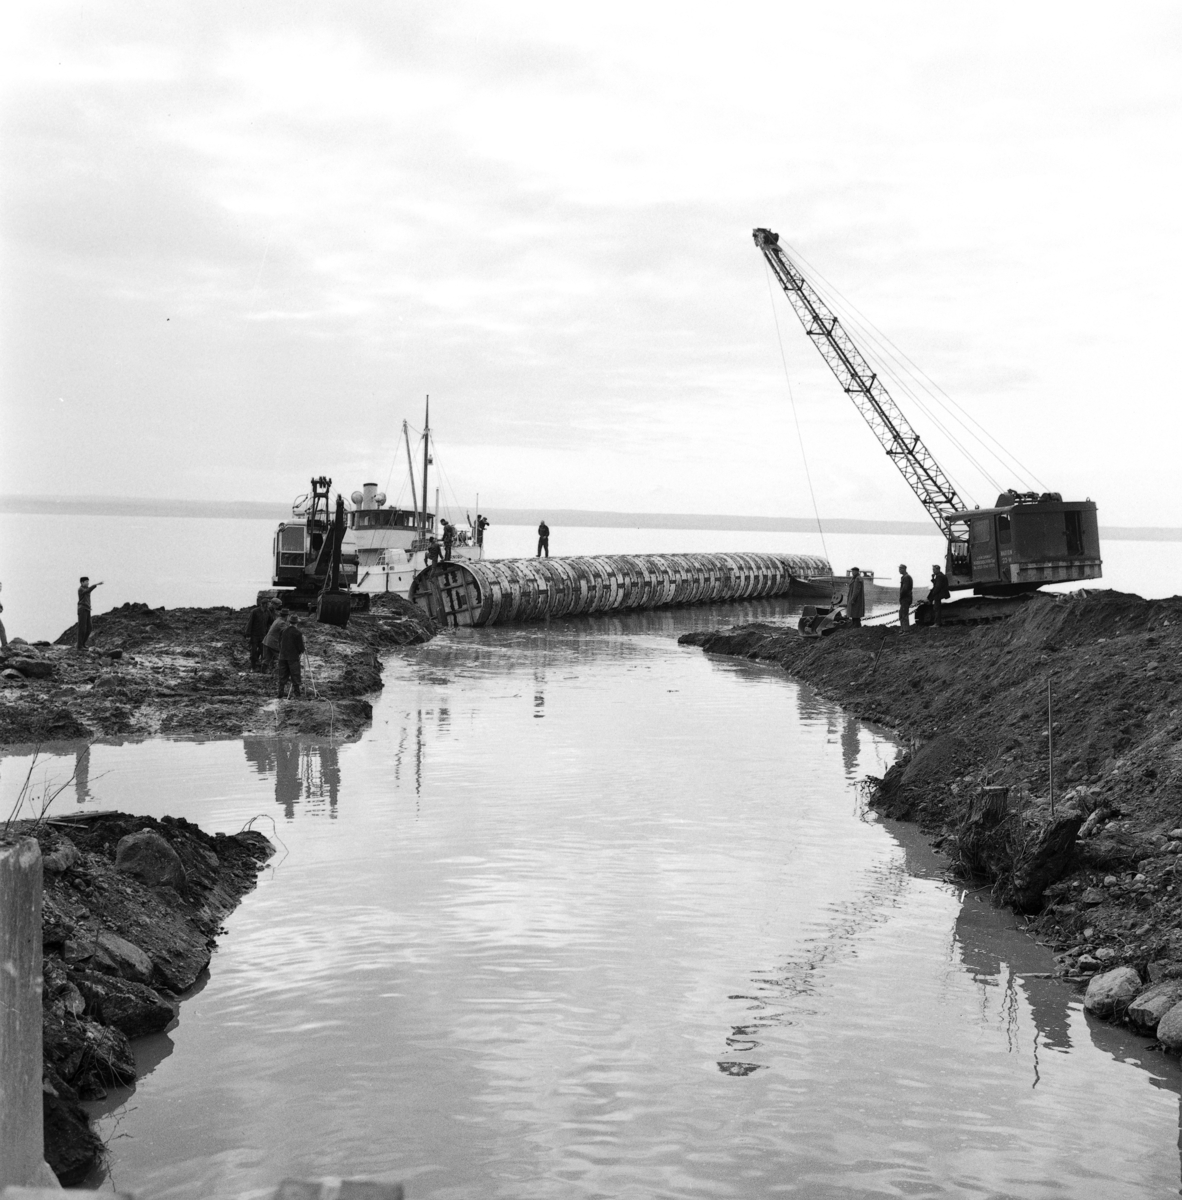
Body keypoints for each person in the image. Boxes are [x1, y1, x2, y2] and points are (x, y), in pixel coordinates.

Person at [277, 615, 305, 699]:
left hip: (282, 656)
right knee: (295, 674)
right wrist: (302, 649)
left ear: (289, 622)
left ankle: (280, 692)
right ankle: (297, 694)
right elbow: (301, 648)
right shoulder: (298, 633)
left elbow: (279, 642)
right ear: (297, 623)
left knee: (282, 675)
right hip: (293, 657)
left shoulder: (283, 631)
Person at [243, 598, 272, 670]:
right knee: (253, 652)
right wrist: (248, 634)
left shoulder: (268, 612)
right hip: (254, 635)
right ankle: (253, 667)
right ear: (263, 604)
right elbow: (250, 623)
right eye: (267, 604)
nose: (268, 605)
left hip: (263, 635)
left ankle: (262, 668)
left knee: (263, 652)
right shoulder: (254, 612)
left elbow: (271, 621)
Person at [76, 576, 103, 650]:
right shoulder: (81, 589)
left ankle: (83, 644)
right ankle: (79, 646)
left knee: (89, 628)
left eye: (88, 581)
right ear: (82, 582)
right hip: (82, 609)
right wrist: (96, 584)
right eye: (86, 581)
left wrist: (95, 585)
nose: (88, 583)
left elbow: (88, 590)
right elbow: (88, 590)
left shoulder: (86, 589)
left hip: (87, 609)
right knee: (82, 628)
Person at [898, 564, 914, 629]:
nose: (899, 570)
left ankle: (906, 630)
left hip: (905, 598)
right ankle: (903, 629)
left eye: (900, 569)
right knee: (901, 614)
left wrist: (901, 596)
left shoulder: (906, 577)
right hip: (905, 598)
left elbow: (905, 589)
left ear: (904, 569)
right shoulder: (905, 577)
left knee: (904, 614)